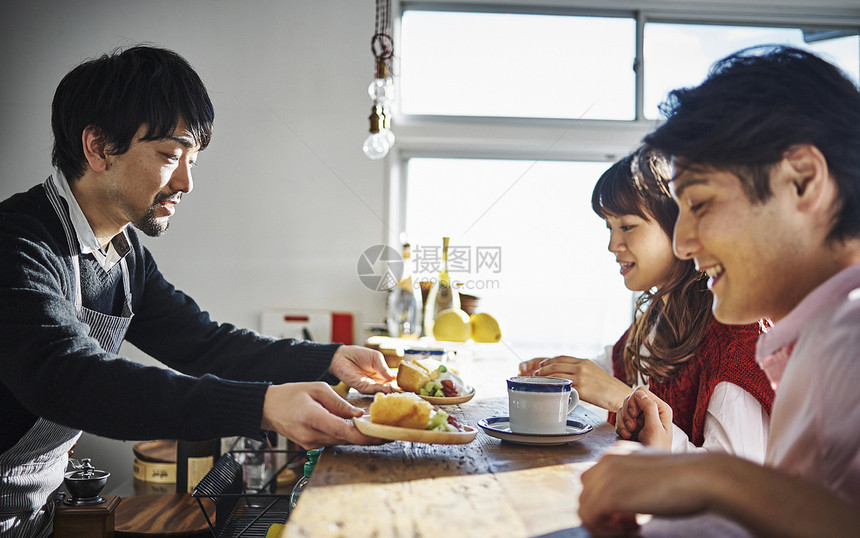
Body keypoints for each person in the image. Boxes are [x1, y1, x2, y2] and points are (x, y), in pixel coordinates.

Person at [0, 45, 393, 537]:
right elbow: (68, 377)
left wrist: (330, 358)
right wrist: (263, 405)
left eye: (194, 160)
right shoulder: (18, 244)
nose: (186, 181)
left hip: (34, 511)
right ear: (98, 147)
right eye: (170, 155)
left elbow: (205, 343)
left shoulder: (124, 256)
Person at [578, 45, 860, 537]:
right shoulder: (811, 341)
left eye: (702, 204)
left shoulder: (848, 340)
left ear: (802, 180)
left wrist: (718, 476)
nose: (684, 243)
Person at [519, 149, 773, 457]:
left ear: (679, 225)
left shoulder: (735, 331)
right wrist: (563, 373)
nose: (612, 245)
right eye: (609, 227)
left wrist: (625, 399)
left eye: (627, 226)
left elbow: (738, 478)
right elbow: (616, 367)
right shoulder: (659, 313)